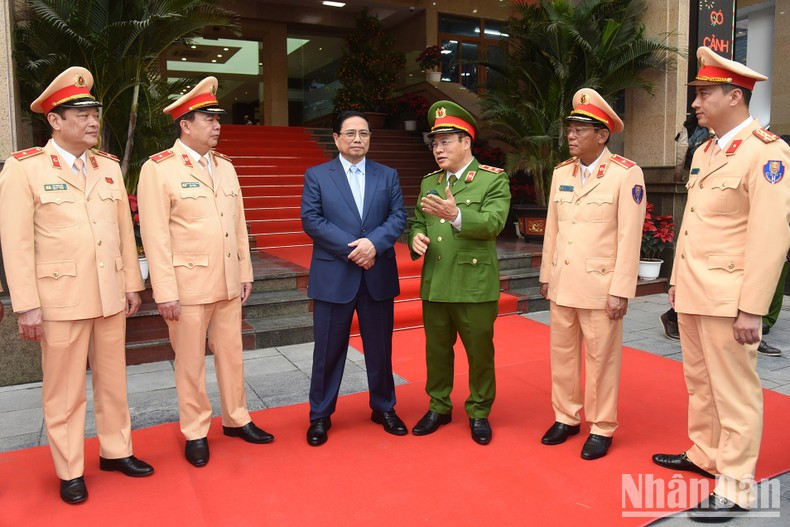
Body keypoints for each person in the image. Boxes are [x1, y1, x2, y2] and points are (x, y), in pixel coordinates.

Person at [0, 67, 154, 504]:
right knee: (64, 391)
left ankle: (116, 450)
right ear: (55, 120)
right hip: (59, 300)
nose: (92, 120)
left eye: (95, 112)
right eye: (81, 112)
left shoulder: (107, 168)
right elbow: (14, 243)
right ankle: (69, 469)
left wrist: (131, 285)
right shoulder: (23, 169)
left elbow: (125, 233)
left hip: (108, 296)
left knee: (113, 383)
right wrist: (25, 305)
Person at [652, 47, 790, 522]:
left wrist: (753, 307)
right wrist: (676, 283)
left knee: (734, 391)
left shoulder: (766, 152)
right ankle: (705, 454)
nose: (695, 102)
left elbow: (771, 237)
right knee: (701, 384)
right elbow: (693, 223)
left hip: (730, 299)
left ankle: (736, 485)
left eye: (704, 93)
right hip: (694, 292)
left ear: (735, 96)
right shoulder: (706, 150)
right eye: (696, 94)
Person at [138, 76, 273, 468]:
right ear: (185, 124)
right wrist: (164, 291)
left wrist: (245, 272)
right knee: (191, 363)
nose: (217, 125)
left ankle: (236, 418)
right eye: (208, 118)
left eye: (218, 118)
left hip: (228, 283)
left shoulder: (226, 167)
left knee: (232, 355)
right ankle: (196, 430)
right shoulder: (158, 169)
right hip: (187, 285)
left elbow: (239, 224)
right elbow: (155, 236)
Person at [538, 88, 646, 460]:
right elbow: (553, 226)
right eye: (570, 127)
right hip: (563, 284)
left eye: (581, 128)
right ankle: (566, 417)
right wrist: (546, 273)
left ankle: (601, 426)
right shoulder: (561, 173)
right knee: (562, 356)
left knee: (602, 360)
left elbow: (630, 238)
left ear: (603, 135)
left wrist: (621, 290)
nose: (571, 134)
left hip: (601, 288)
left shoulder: (625, 175)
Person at [300, 111, 408, 446]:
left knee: (380, 348)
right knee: (328, 351)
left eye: (363, 133)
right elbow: (311, 220)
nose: (357, 139)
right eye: (350, 134)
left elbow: (398, 216)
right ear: (336, 138)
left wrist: (373, 244)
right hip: (335, 275)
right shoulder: (317, 175)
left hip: (377, 274)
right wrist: (354, 248)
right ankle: (320, 415)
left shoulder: (387, 175)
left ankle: (383, 407)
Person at [408, 101, 511, 445]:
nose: (438, 149)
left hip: (473, 284)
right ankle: (439, 405)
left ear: (466, 141)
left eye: (446, 141)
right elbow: (418, 220)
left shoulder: (491, 180)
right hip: (436, 282)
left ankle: (479, 411)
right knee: (436, 351)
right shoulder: (429, 183)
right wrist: (416, 237)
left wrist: (456, 216)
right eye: (435, 143)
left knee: (479, 351)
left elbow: (494, 224)